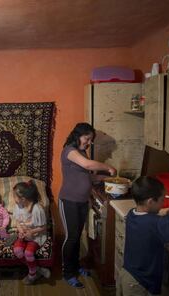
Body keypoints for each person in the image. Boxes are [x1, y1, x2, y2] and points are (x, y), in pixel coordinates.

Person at [59, 122, 117, 288]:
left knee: (77, 236)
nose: (88, 142)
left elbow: (87, 175)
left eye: (91, 139)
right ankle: (67, 272)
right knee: (71, 237)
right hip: (68, 201)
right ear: (78, 135)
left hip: (82, 201)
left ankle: (76, 266)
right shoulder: (69, 151)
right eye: (87, 138)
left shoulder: (82, 152)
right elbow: (88, 165)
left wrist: (103, 178)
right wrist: (108, 167)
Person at [11, 180, 51, 285]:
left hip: (36, 237)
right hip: (24, 235)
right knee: (18, 251)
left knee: (28, 253)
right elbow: (17, 222)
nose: (13, 199)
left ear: (23, 199)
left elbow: (43, 227)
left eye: (15, 197)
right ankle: (38, 269)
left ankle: (32, 275)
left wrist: (32, 232)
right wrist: (20, 230)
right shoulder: (18, 206)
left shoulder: (37, 209)